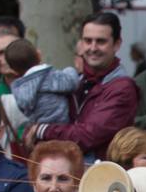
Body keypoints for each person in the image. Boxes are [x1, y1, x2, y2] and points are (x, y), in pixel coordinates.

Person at [26, 12, 137, 160]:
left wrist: (41, 130)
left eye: (101, 41)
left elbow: (88, 135)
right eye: (87, 40)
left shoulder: (123, 87)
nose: (93, 47)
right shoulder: (75, 80)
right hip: (66, 172)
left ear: (117, 44)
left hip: (102, 176)